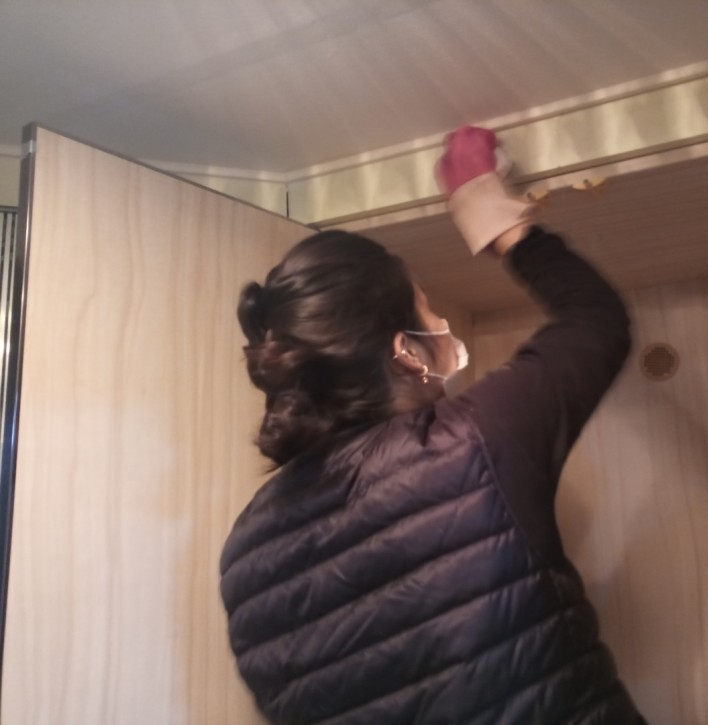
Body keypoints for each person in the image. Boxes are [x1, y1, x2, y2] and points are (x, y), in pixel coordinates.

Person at [220, 126, 646, 724]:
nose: (443, 324)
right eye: (430, 310)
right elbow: (594, 321)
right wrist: (493, 217)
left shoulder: (243, 555)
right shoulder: (468, 443)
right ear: (406, 352)